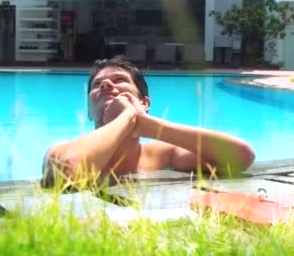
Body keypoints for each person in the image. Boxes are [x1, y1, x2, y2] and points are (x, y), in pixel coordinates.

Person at [42, 55, 255, 186]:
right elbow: (68, 171)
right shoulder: (62, 149)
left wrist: (148, 125)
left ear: (143, 103)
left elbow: (242, 156)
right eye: (98, 85)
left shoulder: (164, 155)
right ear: (89, 112)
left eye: (119, 81)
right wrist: (127, 119)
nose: (106, 84)